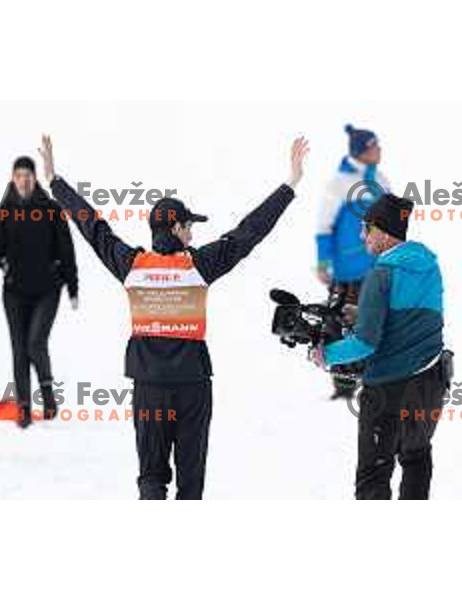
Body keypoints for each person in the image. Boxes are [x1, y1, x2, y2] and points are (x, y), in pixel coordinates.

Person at [38, 134, 309, 499]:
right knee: (190, 480)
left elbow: (92, 226)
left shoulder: (130, 265)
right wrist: (289, 185)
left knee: (151, 476)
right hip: (193, 386)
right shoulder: (198, 265)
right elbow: (248, 233)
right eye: (189, 226)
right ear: (178, 229)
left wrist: (56, 183)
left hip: (148, 387)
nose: (193, 232)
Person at [312, 193, 447, 500]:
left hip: (388, 392)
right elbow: (413, 316)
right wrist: (365, 313)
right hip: (430, 384)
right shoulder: (428, 266)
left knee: (373, 478)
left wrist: (326, 354)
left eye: (367, 229)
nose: (362, 236)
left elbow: (364, 343)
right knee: (416, 458)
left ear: (383, 232)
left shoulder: (380, 274)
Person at [0, 156, 79, 428]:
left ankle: (48, 397)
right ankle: (23, 408)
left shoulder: (51, 210)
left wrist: (73, 287)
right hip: (14, 292)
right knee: (19, 349)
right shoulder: (3, 213)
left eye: (28, 175)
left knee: (35, 342)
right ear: (13, 178)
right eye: (19, 175)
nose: (24, 180)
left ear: (35, 178)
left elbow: (66, 250)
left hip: (48, 289)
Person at [315, 124, 390, 399]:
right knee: (339, 317)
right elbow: (325, 225)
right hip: (347, 268)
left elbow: (393, 221)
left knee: (372, 317)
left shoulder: (381, 180)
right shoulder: (340, 183)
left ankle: (369, 375)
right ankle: (343, 383)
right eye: (374, 146)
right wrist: (323, 261)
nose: (380, 150)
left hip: (376, 266)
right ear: (361, 151)